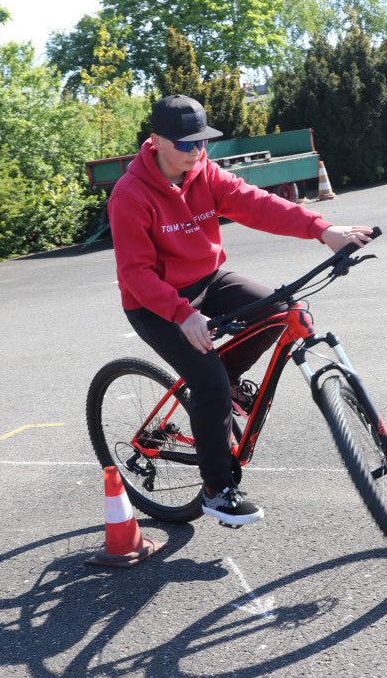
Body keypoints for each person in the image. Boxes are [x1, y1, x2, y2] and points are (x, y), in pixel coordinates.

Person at [108, 95, 372, 527]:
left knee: (281, 310)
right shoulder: (130, 195)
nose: (197, 152)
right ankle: (217, 488)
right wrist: (182, 314)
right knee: (208, 384)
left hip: (206, 280)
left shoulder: (204, 172)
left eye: (202, 143)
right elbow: (135, 274)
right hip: (155, 303)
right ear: (154, 141)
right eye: (186, 144)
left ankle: (223, 382)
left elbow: (257, 204)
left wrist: (322, 230)